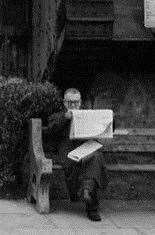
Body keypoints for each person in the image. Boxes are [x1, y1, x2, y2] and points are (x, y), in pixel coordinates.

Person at [42, 88, 107, 222]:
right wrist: (65, 118)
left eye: (76, 102)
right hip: (70, 156)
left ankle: (86, 191)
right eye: (70, 102)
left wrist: (109, 119)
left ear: (80, 102)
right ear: (64, 102)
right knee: (92, 163)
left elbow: (105, 127)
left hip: (87, 152)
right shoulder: (58, 116)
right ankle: (91, 206)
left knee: (95, 157)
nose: (73, 105)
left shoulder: (87, 115)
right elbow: (50, 130)